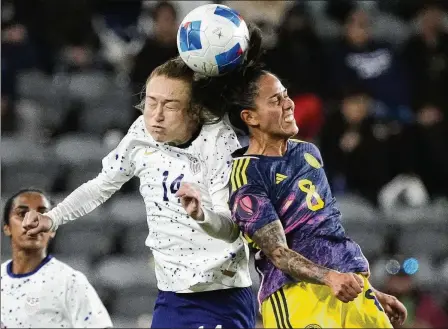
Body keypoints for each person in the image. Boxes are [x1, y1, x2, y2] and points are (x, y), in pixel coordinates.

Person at [189, 25, 408, 328]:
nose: (289, 104)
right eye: (275, 101)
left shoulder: (308, 153)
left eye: (286, 96)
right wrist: (330, 278)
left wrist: (368, 291)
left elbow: (328, 235)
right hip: (296, 296)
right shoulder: (245, 175)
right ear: (249, 117)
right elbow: (278, 253)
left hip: (350, 287)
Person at [21, 57, 255, 328]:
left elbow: (231, 229)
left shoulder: (219, 142)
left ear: (194, 110)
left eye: (169, 105)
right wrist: (54, 217)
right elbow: (101, 185)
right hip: (171, 296)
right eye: (151, 102)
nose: (156, 115)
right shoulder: (140, 135)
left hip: (221, 296)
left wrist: (202, 215)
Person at [1, 188, 112, 328]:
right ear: (7, 227)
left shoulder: (70, 282)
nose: (32, 222)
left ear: (52, 229)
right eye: (22, 214)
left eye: (42, 215)